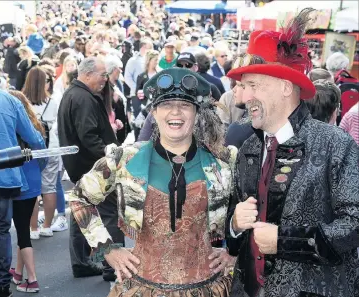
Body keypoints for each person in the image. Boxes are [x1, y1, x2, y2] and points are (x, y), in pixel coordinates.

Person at [225, 9, 359, 297]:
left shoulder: (335, 145)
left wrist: (285, 240)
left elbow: (354, 225)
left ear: (286, 87)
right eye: (243, 86)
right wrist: (235, 224)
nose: (245, 97)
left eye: (253, 85)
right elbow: (235, 240)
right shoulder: (249, 148)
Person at [69, 67, 236, 296]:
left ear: (196, 113)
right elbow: (80, 198)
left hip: (207, 287)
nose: (175, 112)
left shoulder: (224, 163)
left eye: (184, 105)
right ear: (154, 113)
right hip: (141, 287)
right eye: (166, 105)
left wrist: (235, 252)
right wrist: (106, 249)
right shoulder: (124, 159)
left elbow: (254, 209)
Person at [0, 70, 46, 297]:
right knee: (2, 230)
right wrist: (41, 161)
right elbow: (34, 138)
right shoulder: (10, 99)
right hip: (4, 175)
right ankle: (2, 285)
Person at [57, 57, 124, 281]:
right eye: (102, 74)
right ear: (87, 74)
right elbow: (88, 135)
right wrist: (110, 156)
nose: (105, 79)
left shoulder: (74, 94)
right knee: (108, 215)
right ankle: (112, 266)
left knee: (82, 214)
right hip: (92, 167)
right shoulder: (82, 97)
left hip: (81, 165)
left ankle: (81, 262)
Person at [7, 90, 45, 293]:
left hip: (17, 183)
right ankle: (19, 272)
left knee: (22, 233)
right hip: (33, 181)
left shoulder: (10, 129)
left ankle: (32, 279)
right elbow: (43, 155)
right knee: (23, 229)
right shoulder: (35, 127)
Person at [22, 67, 60, 238]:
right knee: (49, 187)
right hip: (51, 148)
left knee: (32, 190)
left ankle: (33, 229)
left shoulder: (22, 102)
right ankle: (47, 226)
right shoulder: (53, 102)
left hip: (29, 150)